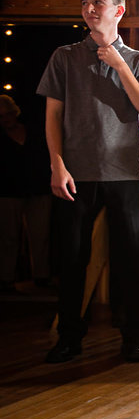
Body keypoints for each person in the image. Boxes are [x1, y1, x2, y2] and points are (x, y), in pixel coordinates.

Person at [37, 0, 139, 363]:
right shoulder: (64, 56)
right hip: (75, 174)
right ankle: (69, 338)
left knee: (129, 258)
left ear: (118, 11)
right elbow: (53, 115)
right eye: (85, 2)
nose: (90, 8)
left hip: (123, 173)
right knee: (72, 259)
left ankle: (134, 337)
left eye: (99, 2)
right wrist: (57, 164)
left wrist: (119, 64)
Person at [0, 94, 52, 291]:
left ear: (15, 113)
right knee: (8, 236)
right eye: (1, 116)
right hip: (8, 191)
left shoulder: (32, 133)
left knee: (40, 234)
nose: (6, 119)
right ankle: (6, 277)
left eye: (8, 114)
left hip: (37, 188)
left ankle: (41, 275)